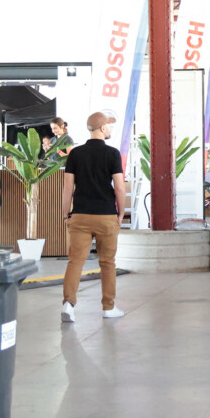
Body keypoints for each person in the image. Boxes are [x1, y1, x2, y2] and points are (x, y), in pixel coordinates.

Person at [60, 112, 127, 322]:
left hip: (79, 215)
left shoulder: (75, 154)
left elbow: (67, 187)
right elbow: (119, 187)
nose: (110, 129)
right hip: (106, 215)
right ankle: (108, 307)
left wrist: (65, 214)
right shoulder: (112, 154)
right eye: (109, 126)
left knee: (75, 262)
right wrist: (121, 212)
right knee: (107, 263)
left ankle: (68, 305)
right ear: (103, 128)